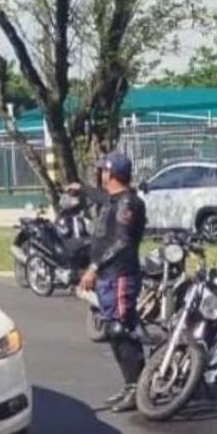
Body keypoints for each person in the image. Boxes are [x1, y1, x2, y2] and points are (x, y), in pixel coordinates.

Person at [74, 152, 148, 412]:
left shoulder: (128, 203)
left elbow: (123, 241)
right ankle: (130, 385)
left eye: (103, 171)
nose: (100, 175)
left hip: (119, 275)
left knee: (122, 330)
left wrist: (94, 267)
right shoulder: (114, 199)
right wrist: (81, 189)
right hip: (109, 276)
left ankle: (138, 388)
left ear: (111, 173)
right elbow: (100, 196)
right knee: (113, 331)